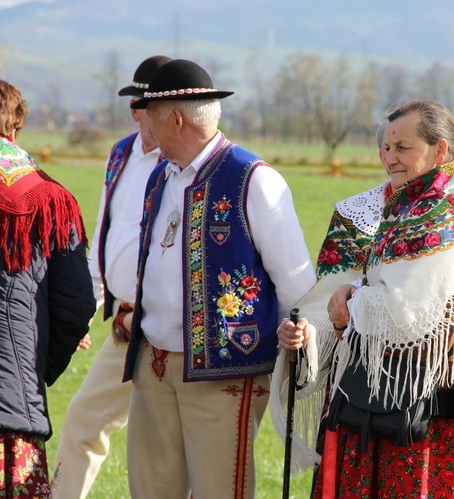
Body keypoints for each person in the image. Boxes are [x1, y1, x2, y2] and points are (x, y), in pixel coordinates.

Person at [275, 99, 454, 498]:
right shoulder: (357, 215)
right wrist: (309, 333)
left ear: (440, 151)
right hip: (362, 395)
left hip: (448, 403)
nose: (389, 158)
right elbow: (326, 297)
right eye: (385, 147)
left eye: (402, 148)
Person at [121, 58, 316, 499]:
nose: (144, 127)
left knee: (220, 491)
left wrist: (298, 340)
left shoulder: (253, 179)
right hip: (153, 364)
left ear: (174, 119)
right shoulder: (161, 176)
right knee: (151, 490)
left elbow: (296, 282)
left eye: (150, 116)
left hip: (224, 369)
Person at [0, 74, 95, 497]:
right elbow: (77, 305)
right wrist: (32, 366)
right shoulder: (50, 197)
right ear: (13, 128)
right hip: (5, 406)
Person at [50, 55, 171, 499]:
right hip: (123, 323)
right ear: (136, 109)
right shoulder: (121, 152)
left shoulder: (188, 162)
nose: (145, 113)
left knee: (163, 441)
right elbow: (103, 232)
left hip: (169, 324)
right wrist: (87, 305)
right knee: (84, 417)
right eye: (142, 104)